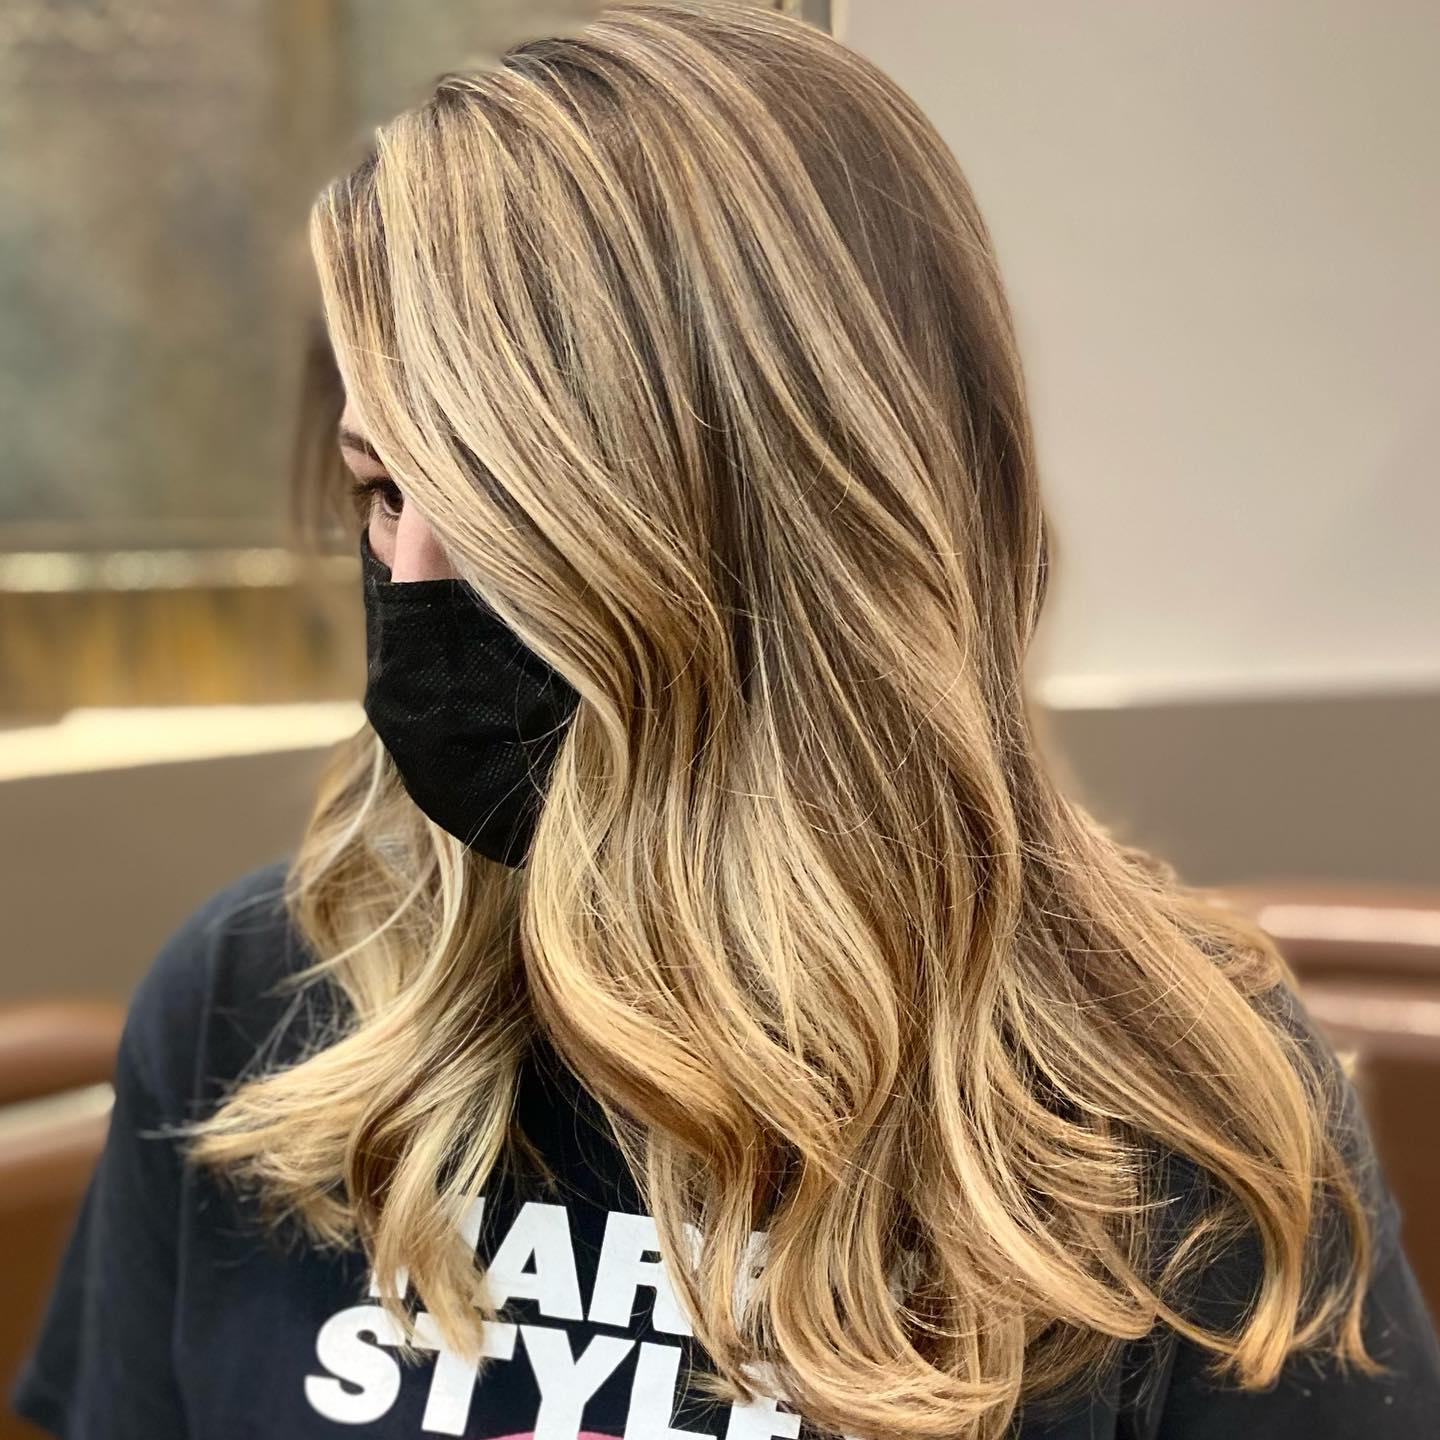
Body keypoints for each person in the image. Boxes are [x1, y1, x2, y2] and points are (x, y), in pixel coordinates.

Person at [11, 3, 1440, 1437]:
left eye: (507, 502)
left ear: (772, 534)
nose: (416, 579)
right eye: (386, 491)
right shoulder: (255, 1003)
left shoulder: (1169, 1119)